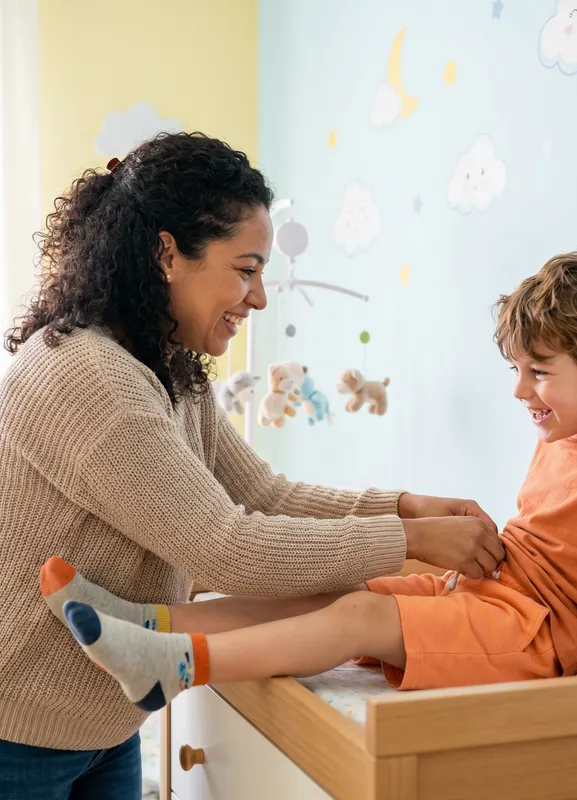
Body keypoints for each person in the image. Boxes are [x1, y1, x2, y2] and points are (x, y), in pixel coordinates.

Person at [0, 132, 503, 799]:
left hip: (102, 721)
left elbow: (262, 494)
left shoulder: (170, 367)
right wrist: (407, 542)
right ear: (166, 254)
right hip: (21, 726)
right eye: (245, 269)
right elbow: (230, 550)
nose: (260, 297)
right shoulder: (91, 378)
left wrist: (403, 506)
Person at [45, 249, 577, 709]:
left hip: (544, 637)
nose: (520, 393)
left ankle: (174, 664)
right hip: (505, 598)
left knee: (360, 617)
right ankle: (143, 621)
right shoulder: (572, 437)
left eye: (539, 373)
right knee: (335, 586)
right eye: (517, 371)